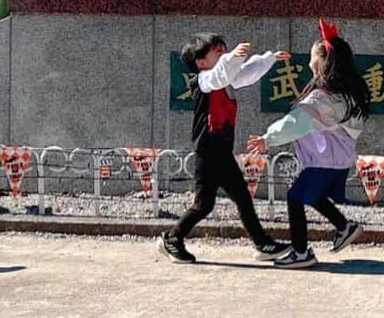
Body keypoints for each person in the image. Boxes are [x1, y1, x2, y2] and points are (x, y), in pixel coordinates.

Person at [157, 34, 292, 265]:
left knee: (242, 198)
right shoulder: (204, 80)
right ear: (200, 63)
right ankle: (172, 238)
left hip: (221, 153)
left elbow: (245, 73)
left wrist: (270, 59)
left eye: (223, 48)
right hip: (208, 153)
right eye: (216, 50)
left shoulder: (226, 79)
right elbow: (221, 74)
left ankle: (262, 244)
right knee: (204, 205)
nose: (222, 51)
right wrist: (231, 58)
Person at [247, 19, 369, 269]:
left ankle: (301, 252)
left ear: (323, 62)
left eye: (312, 57)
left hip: (325, 160)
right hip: (338, 160)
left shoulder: (320, 99)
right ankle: (344, 226)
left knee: (294, 196)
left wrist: (267, 140)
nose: (309, 62)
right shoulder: (348, 95)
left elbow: (294, 124)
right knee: (311, 195)